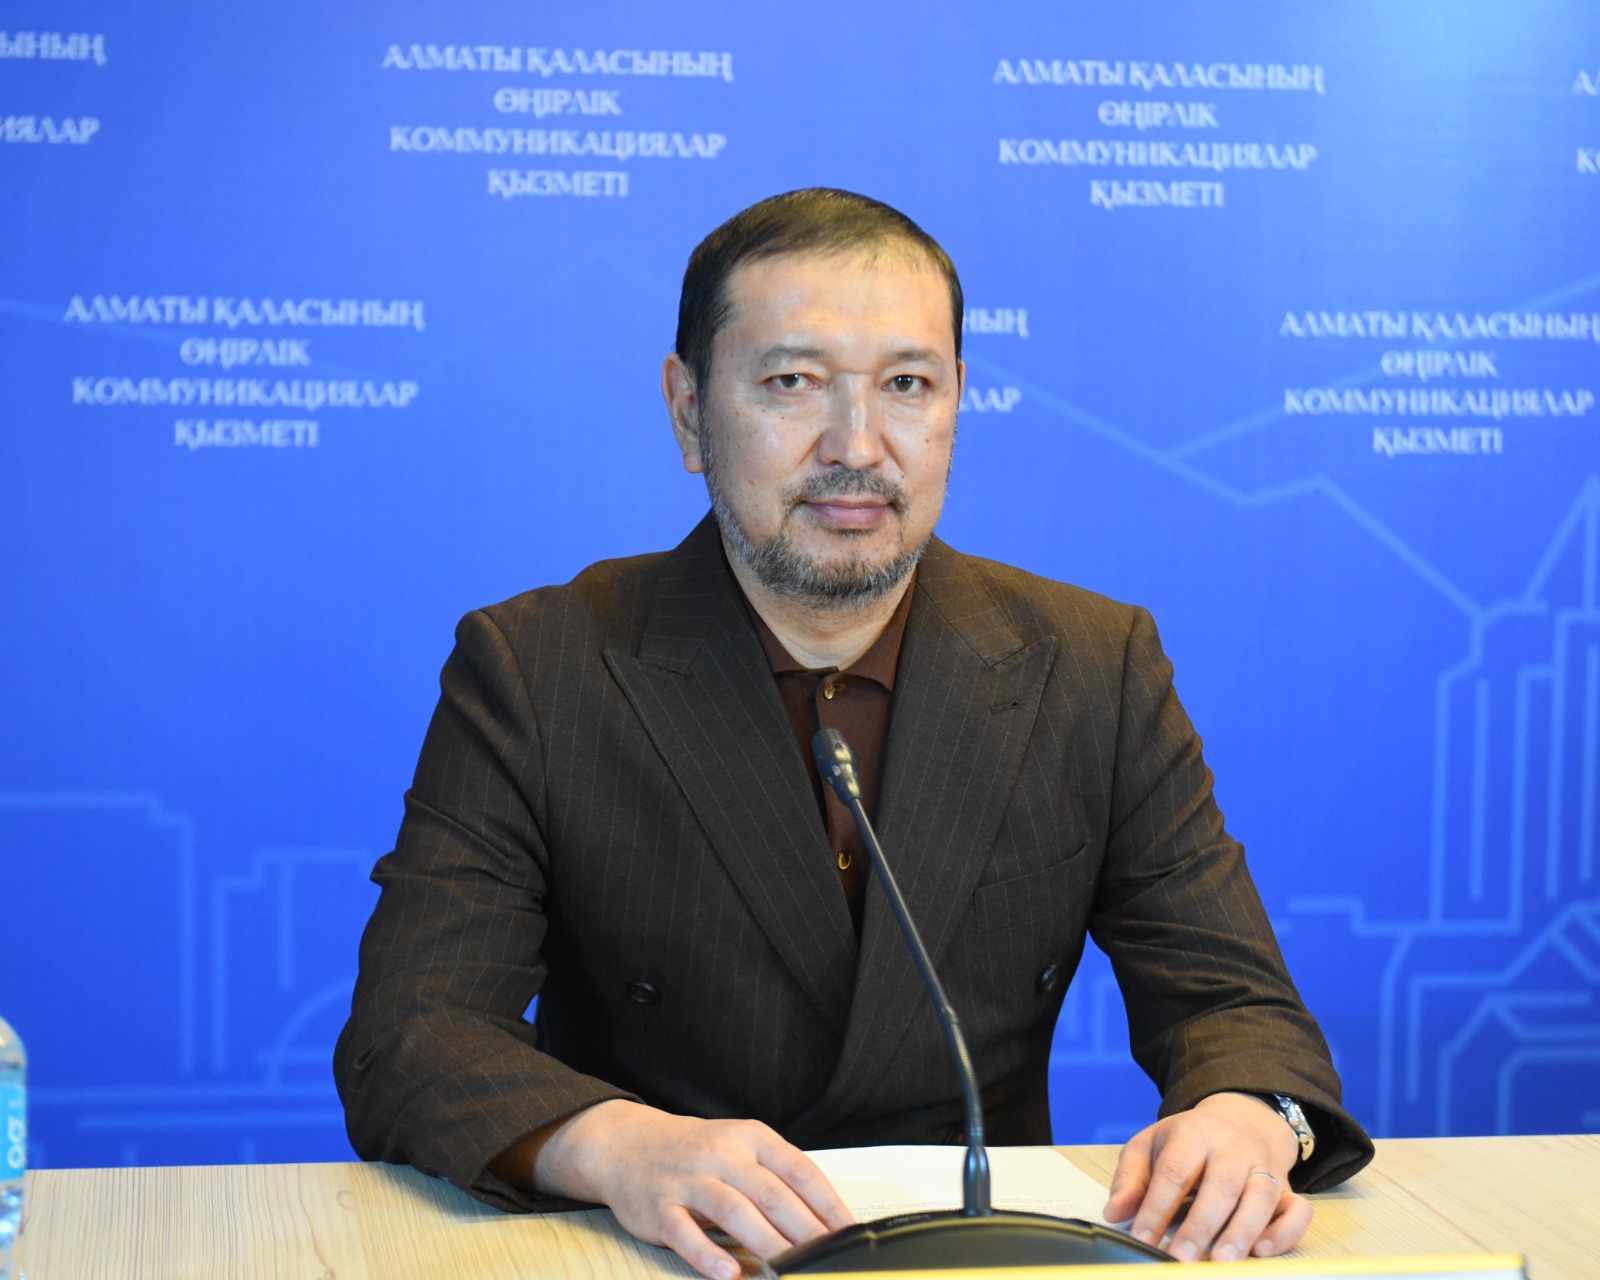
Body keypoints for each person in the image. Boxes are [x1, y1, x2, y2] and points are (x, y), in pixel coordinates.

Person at [335, 188, 1373, 1278]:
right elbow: (413, 1036)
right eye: (791, 383)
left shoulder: (1090, 663)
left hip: (976, 1257)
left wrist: (1249, 1115)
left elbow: (1237, 1005)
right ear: (687, 410)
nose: (858, 446)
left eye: (907, 386)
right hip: (671, 1256)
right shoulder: (539, 665)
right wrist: (615, 1146)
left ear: (957, 402)